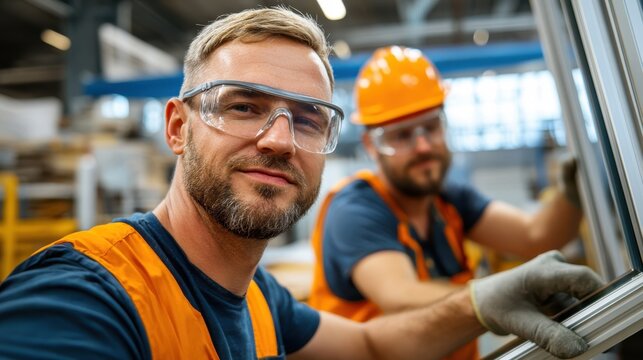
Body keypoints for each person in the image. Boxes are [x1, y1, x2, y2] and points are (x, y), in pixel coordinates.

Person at [0, 7, 601, 360]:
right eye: (242, 107)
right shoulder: (88, 300)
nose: (280, 140)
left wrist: (479, 305)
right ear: (178, 128)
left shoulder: (259, 297)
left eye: (309, 117)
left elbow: (371, 348)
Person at [308, 46, 585, 359]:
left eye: (431, 126)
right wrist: (497, 295)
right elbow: (399, 296)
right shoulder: (354, 209)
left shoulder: (448, 200)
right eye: (402, 135)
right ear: (372, 145)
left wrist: (573, 192)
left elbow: (536, 236)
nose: (423, 146)